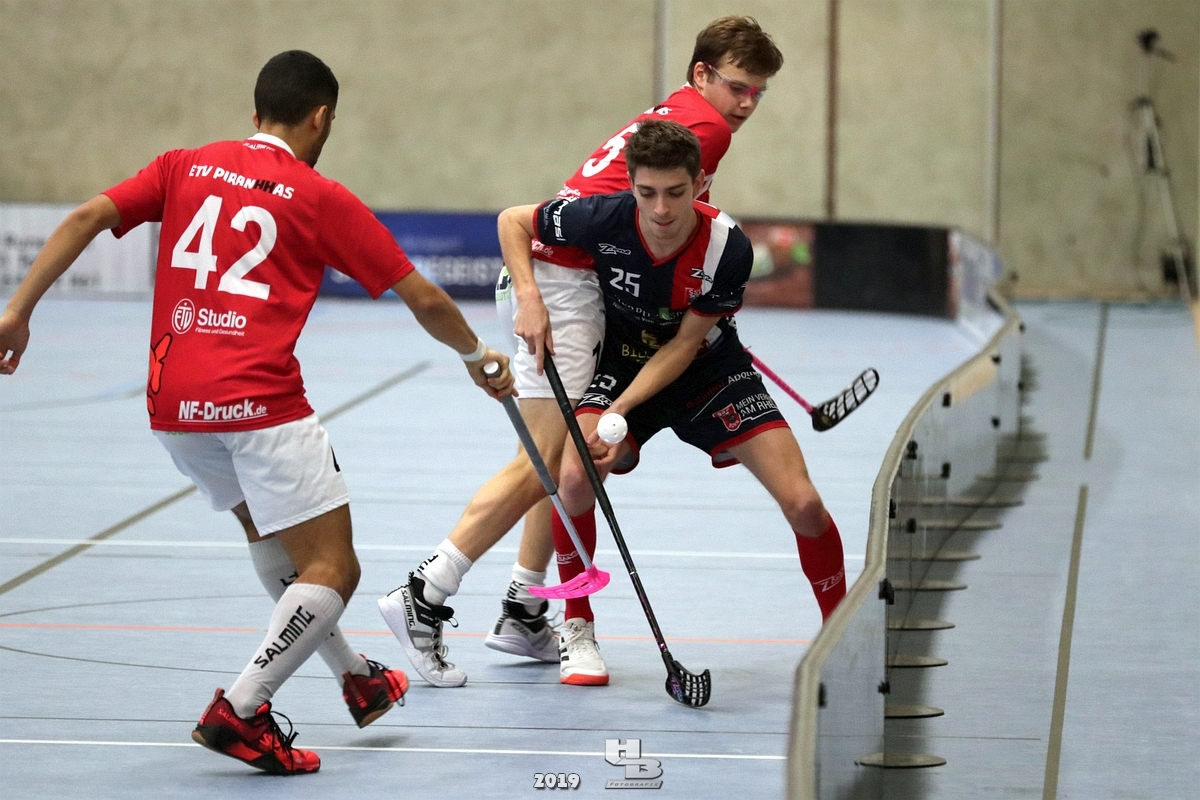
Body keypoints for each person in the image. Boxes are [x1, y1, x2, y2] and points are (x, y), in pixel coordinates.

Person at [0, 50, 513, 774]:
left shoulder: (183, 165)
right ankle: (242, 708)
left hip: (173, 406)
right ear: (321, 117)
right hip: (260, 403)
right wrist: (477, 355)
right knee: (333, 567)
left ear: (255, 113)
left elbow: (87, 215)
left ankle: (356, 676)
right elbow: (423, 297)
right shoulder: (318, 196)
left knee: (270, 535)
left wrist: (18, 311)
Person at [378, 16, 787, 689]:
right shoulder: (705, 132)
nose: (746, 104)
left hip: (570, 281)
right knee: (545, 461)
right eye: (738, 87)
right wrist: (539, 295)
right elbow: (662, 224)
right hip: (563, 287)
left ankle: (524, 607)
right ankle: (425, 592)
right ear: (702, 75)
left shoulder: (676, 112)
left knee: (557, 460)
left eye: (758, 93)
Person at [496, 119, 847, 686]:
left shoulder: (728, 247)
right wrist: (529, 295)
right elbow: (512, 220)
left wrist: (618, 412)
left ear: (700, 183)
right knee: (575, 477)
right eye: (647, 192)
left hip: (707, 370)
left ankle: (842, 633)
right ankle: (577, 627)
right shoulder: (602, 216)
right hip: (622, 364)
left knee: (804, 502)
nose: (661, 209)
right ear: (630, 184)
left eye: (676, 193)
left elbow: (684, 347)